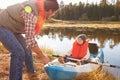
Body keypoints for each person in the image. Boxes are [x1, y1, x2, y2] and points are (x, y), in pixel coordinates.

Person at [0, 0, 59, 80]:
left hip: (13, 29)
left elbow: (30, 40)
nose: (53, 15)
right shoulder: (31, 12)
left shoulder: (38, 12)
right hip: (2, 26)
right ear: (50, 10)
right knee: (18, 52)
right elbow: (30, 41)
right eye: (54, 12)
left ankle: (31, 74)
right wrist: (43, 56)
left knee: (27, 50)